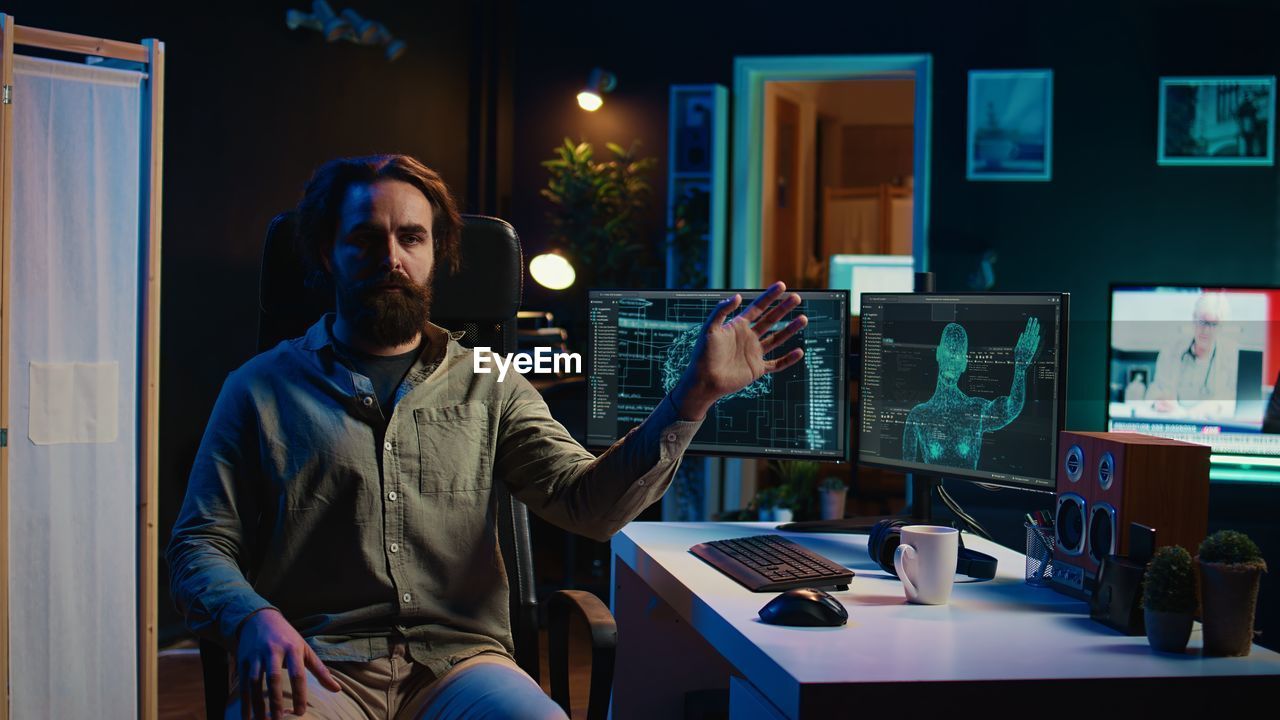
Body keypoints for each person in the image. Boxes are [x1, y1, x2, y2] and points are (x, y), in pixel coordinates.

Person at [166, 154, 809, 720]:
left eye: (411, 237)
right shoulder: (258, 388)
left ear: (435, 254)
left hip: (461, 665)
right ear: (327, 254)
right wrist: (251, 617)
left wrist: (691, 396)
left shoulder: (490, 382)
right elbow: (200, 544)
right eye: (364, 238)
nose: (391, 257)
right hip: (317, 662)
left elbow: (588, 507)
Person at [901, 317, 1040, 469]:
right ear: (939, 354)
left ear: (964, 364)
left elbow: (1010, 408)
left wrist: (1020, 368)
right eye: (949, 350)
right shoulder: (918, 415)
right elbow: (909, 472)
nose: (953, 359)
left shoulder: (976, 410)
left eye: (959, 354)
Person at [1146, 292, 1237, 420]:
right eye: (1202, 322)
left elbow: (1234, 401)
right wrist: (1158, 401)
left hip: (1212, 429)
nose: (1206, 330)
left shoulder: (1231, 357)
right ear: (1194, 319)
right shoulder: (1171, 350)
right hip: (1175, 426)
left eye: (1213, 324)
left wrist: (1216, 406)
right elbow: (1154, 389)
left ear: (1221, 327)